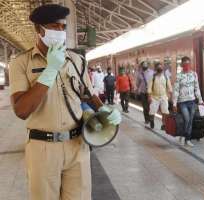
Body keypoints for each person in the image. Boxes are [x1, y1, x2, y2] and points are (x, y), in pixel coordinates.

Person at [8, 4, 121, 200]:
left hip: (77, 145)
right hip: (42, 148)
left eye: (62, 27)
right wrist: (50, 70)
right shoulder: (21, 63)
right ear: (39, 29)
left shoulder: (77, 61)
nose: (60, 32)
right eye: (54, 27)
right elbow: (22, 110)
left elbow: (87, 94)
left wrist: (105, 110)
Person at [173, 56, 204, 147]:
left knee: (190, 120)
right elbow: (176, 90)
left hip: (192, 101)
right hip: (182, 102)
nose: (187, 66)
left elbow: (197, 88)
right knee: (187, 119)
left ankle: (187, 138)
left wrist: (200, 100)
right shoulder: (179, 76)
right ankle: (183, 136)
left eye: (188, 64)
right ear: (182, 65)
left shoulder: (194, 74)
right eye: (185, 64)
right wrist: (174, 103)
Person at [147, 62, 172, 129]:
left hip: (163, 96)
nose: (160, 68)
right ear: (156, 69)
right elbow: (149, 87)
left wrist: (170, 94)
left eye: (161, 67)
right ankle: (152, 120)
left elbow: (169, 86)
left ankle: (163, 124)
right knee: (152, 111)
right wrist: (149, 96)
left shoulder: (166, 77)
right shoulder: (153, 77)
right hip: (154, 97)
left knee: (165, 111)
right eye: (158, 67)